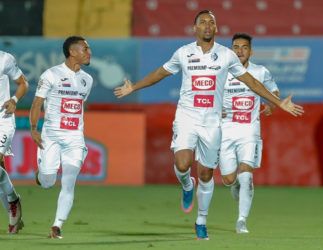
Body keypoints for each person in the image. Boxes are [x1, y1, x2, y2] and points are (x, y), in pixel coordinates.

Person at [114, 10, 303, 240]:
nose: (207, 25)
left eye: (211, 22)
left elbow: (252, 82)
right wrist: (134, 87)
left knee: (206, 175)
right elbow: (160, 73)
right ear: (194, 28)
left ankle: (201, 220)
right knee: (182, 163)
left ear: (216, 28)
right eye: (202, 22)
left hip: (212, 122)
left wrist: (277, 102)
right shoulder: (184, 53)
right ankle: (186, 185)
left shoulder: (226, 56)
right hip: (187, 116)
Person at [29, 36, 93, 239]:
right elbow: (37, 103)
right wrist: (33, 128)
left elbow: (80, 106)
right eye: (85, 49)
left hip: (74, 137)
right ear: (72, 52)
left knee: (69, 180)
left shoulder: (87, 80)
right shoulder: (51, 74)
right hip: (51, 135)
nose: (89, 52)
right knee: (48, 181)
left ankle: (57, 225)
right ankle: (41, 175)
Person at [219, 33, 280, 234]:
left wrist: (271, 104)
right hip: (225, 130)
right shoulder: (221, 72)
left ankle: (241, 221)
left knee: (246, 175)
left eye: (244, 47)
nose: (240, 51)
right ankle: (233, 183)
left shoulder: (260, 72)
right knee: (228, 179)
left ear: (250, 51)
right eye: (236, 47)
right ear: (231, 50)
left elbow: (273, 91)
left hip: (249, 130)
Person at [0, 51, 28, 234]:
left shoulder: (4, 59)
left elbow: (23, 83)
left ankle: (13, 204)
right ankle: (13, 201)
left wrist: (14, 99)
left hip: (2, 119)